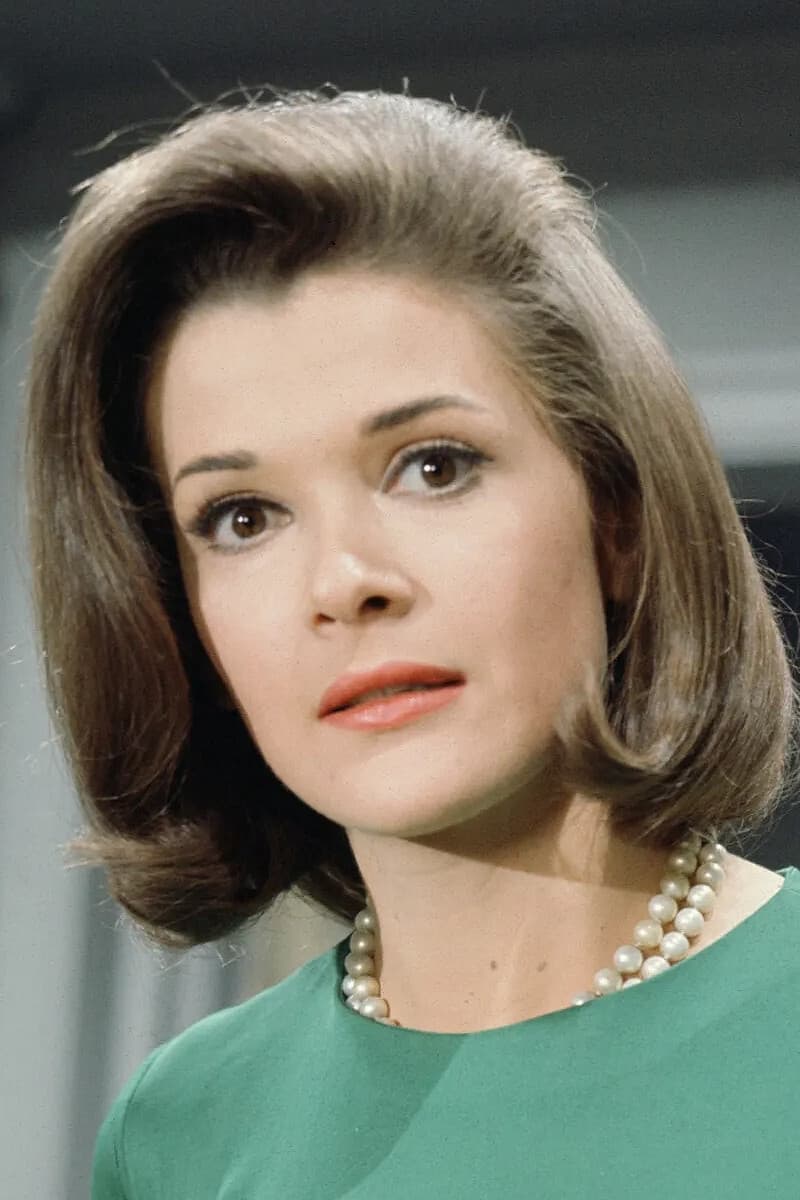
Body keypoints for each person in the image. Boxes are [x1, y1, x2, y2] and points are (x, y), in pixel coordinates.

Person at [24, 85, 800, 1198]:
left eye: (432, 466)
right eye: (242, 519)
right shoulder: (183, 1135)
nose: (345, 582)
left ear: (618, 519)